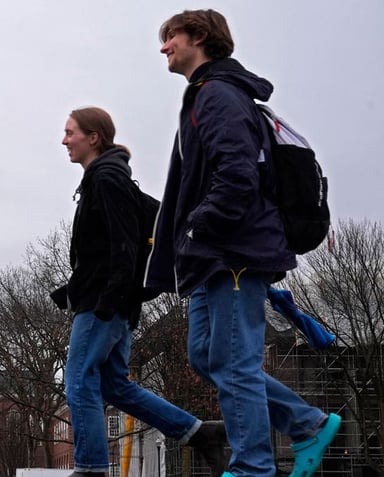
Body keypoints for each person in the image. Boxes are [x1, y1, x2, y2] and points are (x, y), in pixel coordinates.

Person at [146, 9, 341, 477]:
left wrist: (199, 227)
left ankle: (253, 467)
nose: (164, 47)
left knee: (234, 362)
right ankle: (307, 422)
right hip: (212, 256)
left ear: (199, 37)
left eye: (171, 36)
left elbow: (238, 172)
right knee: (207, 355)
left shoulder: (217, 96)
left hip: (230, 251)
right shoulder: (206, 96)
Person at [52, 106, 226, 477]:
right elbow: (148, 224)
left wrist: (110, 299)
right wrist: (76, 287)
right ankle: (197, 431)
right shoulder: (109, 178)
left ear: (93, 137)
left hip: (105, 304)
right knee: (115, 385)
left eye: (71, 132)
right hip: (113, 301)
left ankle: (91, 468)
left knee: (80, 380)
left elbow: (125, 245)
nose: (64, 140)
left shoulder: (107, 180)